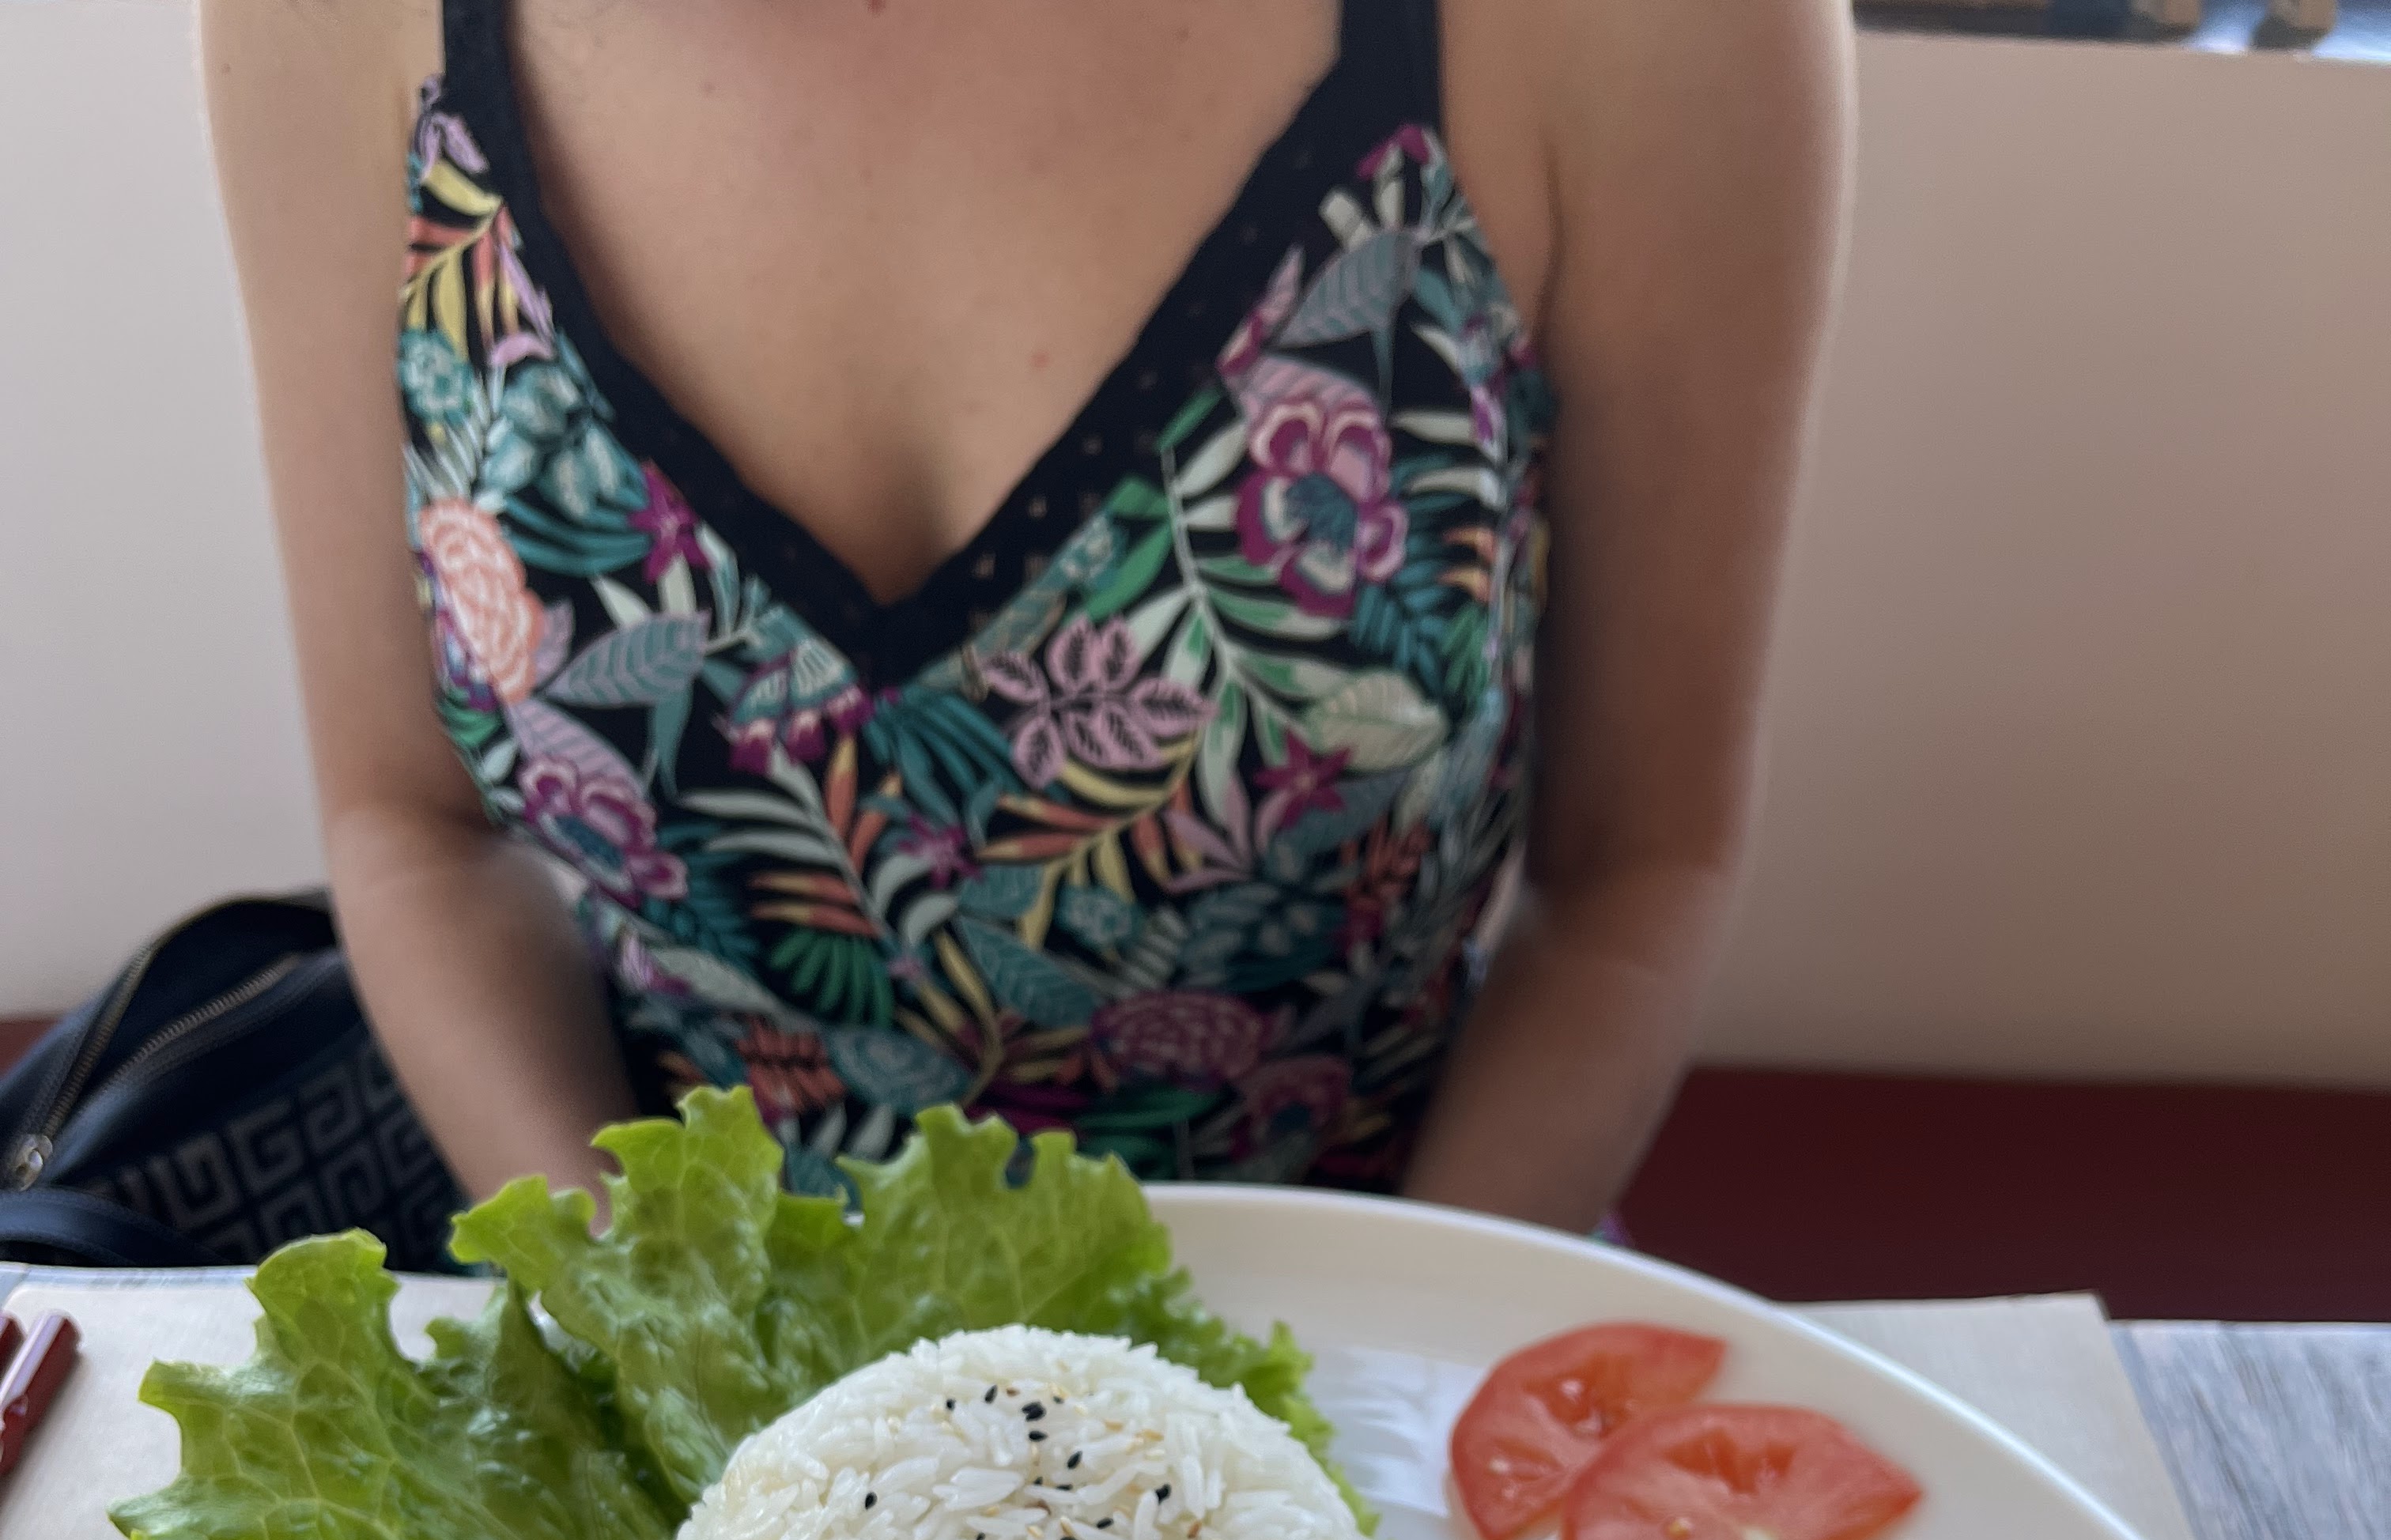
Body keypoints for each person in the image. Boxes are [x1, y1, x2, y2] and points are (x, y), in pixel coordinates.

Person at [202, 0, 1849, 1229]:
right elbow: (413, 829)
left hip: (1395, 1342)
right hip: (676, 1356)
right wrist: (655, 1346)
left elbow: (1637, 870)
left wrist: (1383, 1395)